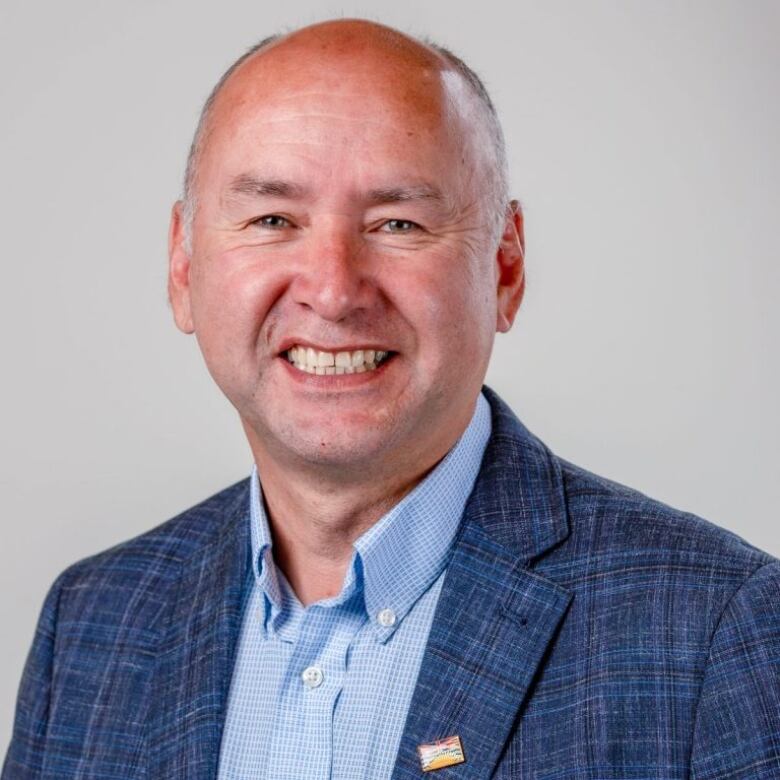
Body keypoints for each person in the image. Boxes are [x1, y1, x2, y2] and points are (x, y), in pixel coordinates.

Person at [3, 18, 779, 780]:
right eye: (273, 219)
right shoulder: (92, 624)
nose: (334, 291)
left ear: (505, 270)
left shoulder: (712, 629)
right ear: (183, 267)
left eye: (398, 223)